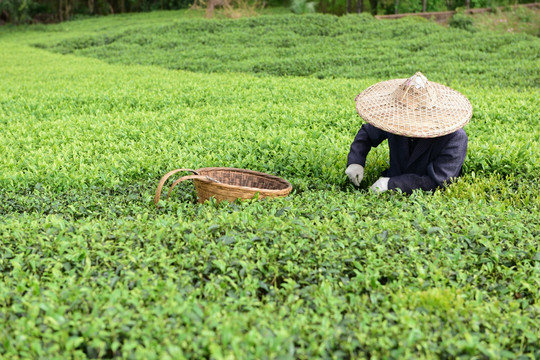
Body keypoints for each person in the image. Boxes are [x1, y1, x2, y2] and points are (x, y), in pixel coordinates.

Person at [346, 72, 472, 194]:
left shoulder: (455, 138)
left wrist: (391, 185)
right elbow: (368, 133)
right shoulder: (395, 118)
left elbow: (438, 181)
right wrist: (356, 161)